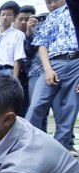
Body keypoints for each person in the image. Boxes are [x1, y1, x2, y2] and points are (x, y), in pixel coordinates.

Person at [26, 0, 79, 155]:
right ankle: (25, 146)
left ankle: (57, 153)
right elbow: (42, 44)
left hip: (77, 64)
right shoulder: (51, 17)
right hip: (54, 62)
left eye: (55, 0)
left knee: (69, 110)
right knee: (36, 105)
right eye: (49, 2)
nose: (53, 4)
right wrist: (48, 69)